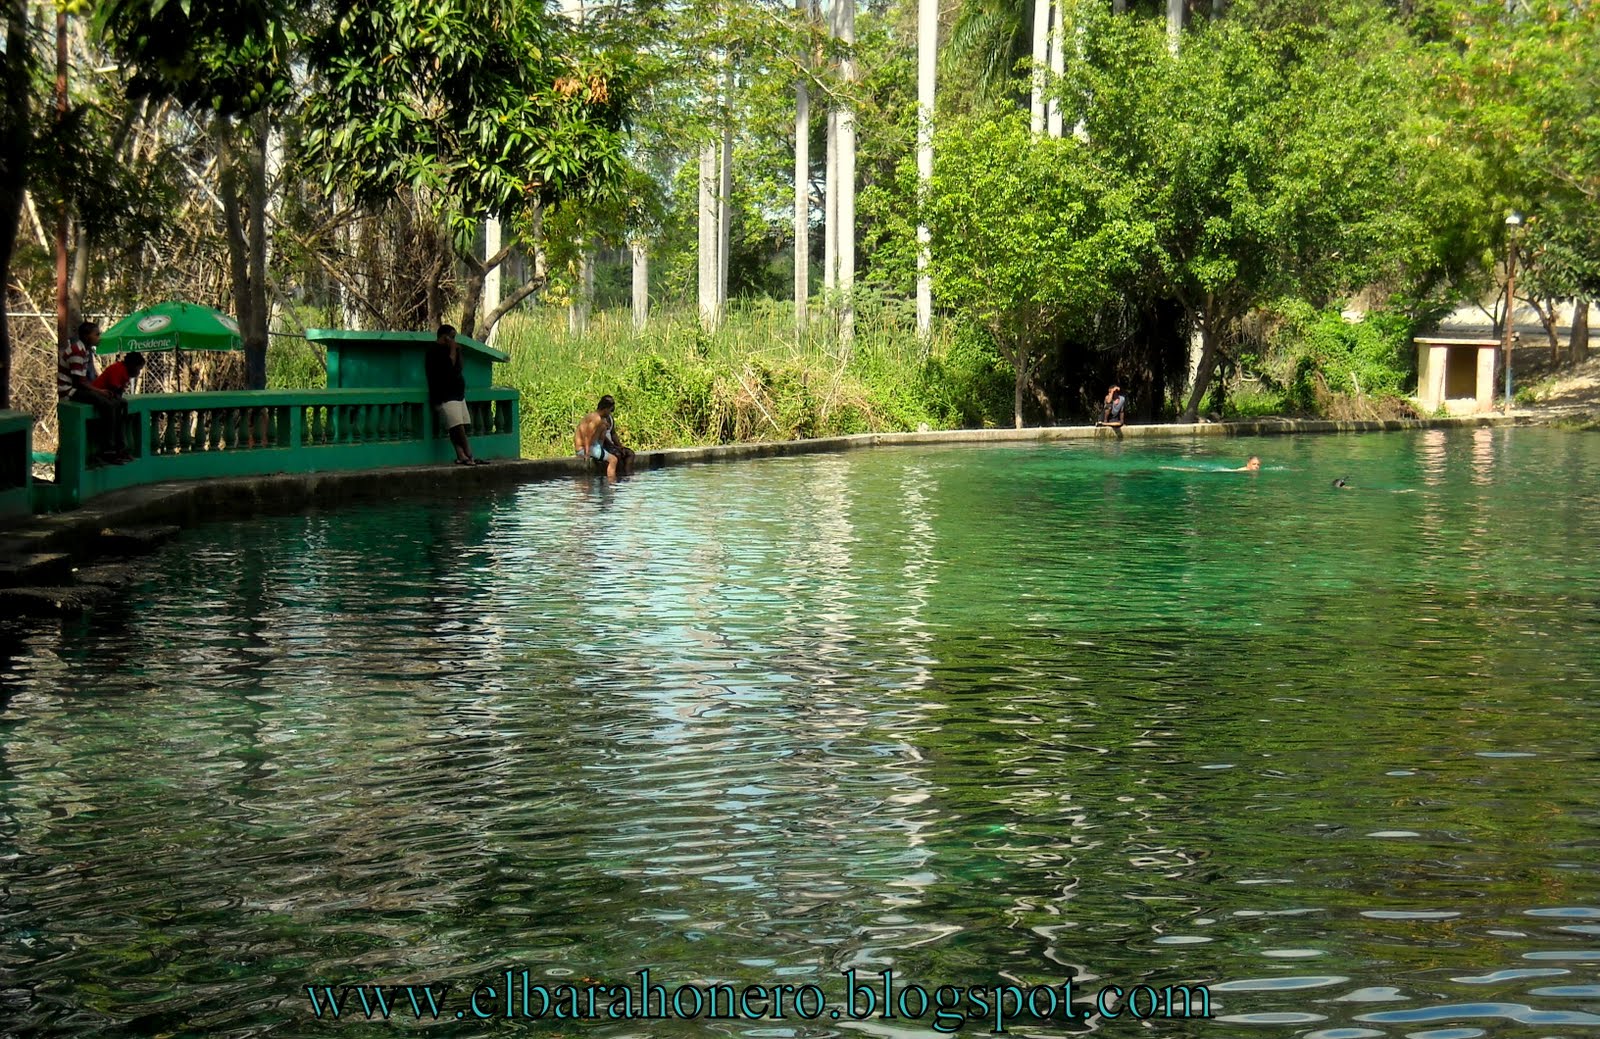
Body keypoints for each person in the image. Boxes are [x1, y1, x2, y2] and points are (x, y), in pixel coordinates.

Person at [57, 320, 130, 464]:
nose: (99, 337)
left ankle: (119, 448)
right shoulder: (77, 351)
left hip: (78, 389)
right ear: (86, 336)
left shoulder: (84, 351)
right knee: (108, 405)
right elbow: (79, 382)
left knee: (118, 402)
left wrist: (100, 392)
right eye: (96, 334)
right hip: (69, 392)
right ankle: (107, 450)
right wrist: (100, 392)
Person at [425, 324, 484, 465]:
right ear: (444, 337)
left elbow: (458, 367)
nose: (453, 340)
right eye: (451, 337)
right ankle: (469, 453)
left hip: (457, 394)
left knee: (455, 427)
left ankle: (461, 455)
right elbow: (447, 367)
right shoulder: (434, 351)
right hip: (444, 395)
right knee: (457, 426)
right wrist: (452, 349)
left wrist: (458, 352)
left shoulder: (451, 351)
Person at [575, 394, 634, 480]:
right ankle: (611, 482)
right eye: (610, 410)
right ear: (606, 409)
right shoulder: (596, 419)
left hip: (594, 446)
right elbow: (587, 436)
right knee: (613, 460)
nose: (610, 413)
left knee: (604, 427)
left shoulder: (600, 420)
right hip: (584, 449)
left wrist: (616, 446)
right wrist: (586, 454)